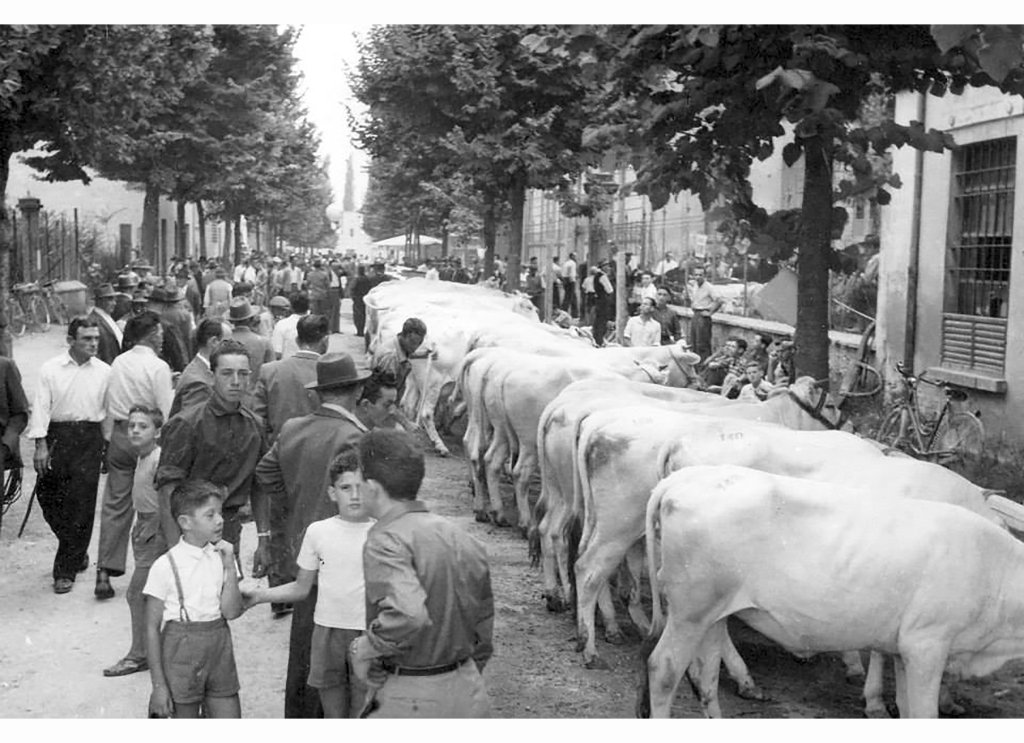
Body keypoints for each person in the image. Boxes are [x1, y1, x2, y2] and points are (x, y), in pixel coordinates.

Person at [252, 352, 371, 718]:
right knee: (349, 656)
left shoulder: (292, 428)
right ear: (356, 391)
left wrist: (297, 507)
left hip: (304, 548)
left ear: (319, 394)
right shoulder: (357, 437)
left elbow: (265, 473)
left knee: (307, 646)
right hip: (347, 556)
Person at [348, 429, 493, 718]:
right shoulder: (461, 537)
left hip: (412, 696)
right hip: (468, 689)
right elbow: (483, 631)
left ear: (373, 487)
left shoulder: (385, 539)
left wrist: (364, 648)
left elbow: (408, 614)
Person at [243, 447, 372, 717]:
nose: (355, 495)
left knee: (365, 712)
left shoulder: (382, 532)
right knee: (333, 714)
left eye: (361, 486)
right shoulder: (318, 532)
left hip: (368, 633)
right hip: (327, 633)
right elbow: (302, 587)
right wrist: (259, 597)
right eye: (346, 487)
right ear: (332, 493)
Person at [156, 339, 268, 560]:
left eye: (243, 374)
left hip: (229, 529)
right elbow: (167, 489)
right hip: (189, 531)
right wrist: (175, 552)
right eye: (227, 373)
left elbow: (260, 485)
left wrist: (263, 538)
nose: (236, 381)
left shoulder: (255, 426)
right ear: (212, 375)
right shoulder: (188, 424)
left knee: (228, 590)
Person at [143, 480, 243, 719]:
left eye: (220, 513)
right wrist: (159, 686)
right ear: (185, 522)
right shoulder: (165, 565)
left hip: (219, 649)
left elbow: (230, 612)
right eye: (210, 515)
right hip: (180, 654)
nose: (220, 520)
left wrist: (229, 566)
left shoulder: (223, 556)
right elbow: (150, 627)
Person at [26, 318, 110, 594]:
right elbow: (40, 407)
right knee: (48, 496)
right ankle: (75, 546)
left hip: (89, 438)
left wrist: (108, 447)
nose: (93, 344)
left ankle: (65, 570)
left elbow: (108, 413)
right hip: (57, 437)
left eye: (95, 338)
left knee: (81, 503)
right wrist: (40, 444)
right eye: (86, 338)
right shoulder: (51, 369)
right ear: (71, 341)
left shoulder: (105, 372)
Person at [96, 312, 174, 600]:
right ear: (152, 334)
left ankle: (104, 570)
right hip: (148, 439)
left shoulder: (118, 362)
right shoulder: (158, 366)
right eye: (160, 332)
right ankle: (150, 570)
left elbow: (109, 399)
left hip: (120, 433)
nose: (163, 337)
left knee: (115, 502)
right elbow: (166, 410)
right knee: (150, 506)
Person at [103, 405, 166, 677]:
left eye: (143, 426)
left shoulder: (157, 459)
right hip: (144, 526)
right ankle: (149, 650)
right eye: (131, 426)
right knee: (143, 595)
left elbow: (166, 501)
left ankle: (140, 654)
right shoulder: (142, 456)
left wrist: (157, 529)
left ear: (158, 432)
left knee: (137, 594)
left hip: (155, 528)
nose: (136, 431)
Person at [252, 314, 327, 442]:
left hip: (278, 449)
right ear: (326, 340)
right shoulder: (332, 373)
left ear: (297, 341)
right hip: (320, 451)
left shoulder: (269, 371)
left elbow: (258, 418)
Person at [169, 318, 231, 418]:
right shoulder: (198, 383)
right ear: (214, 342)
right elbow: (195, 426)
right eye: (228, 343)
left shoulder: (201, 371)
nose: (232, 348)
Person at [372, 317, 427, 403]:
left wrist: (424, 354)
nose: (416, 348)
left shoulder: (399, 345)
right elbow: (385, 393)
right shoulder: (391, 358)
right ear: (407, 336)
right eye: (413, 343)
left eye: (419, 344)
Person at [227, 298, 275, 389]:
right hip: (255, 397)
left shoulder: (223, 340)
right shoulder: (263, 342)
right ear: (251, 319)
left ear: (232, 321)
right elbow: (272, 374)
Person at [685, 266, 723, 361]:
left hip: (703, 316)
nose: (698, 277)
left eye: (700, 275)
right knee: (693, 341)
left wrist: (710, 313)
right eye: (696, 275)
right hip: (695, 315)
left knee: (702, 343)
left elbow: (719, 300)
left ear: (705, 276)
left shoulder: (709, 287)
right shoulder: (694, 285)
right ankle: (696, 365)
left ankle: (704, 366)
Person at [90, 283, 123, 365]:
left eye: (115, 300)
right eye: (110, 300)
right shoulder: (93, 321)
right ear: (100, 301)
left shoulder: (108, 317)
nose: (114, 303)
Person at [271, 292, 309, 361]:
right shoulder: (317, 323)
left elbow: (277, 354)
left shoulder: (282, 324)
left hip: (287, 367)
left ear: (291, 307)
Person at [590, 262, 615, 347]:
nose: (608, 268)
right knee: (602, 320)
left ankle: (597, 338)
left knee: (598, 320)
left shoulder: (596, 276)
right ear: (602, 267)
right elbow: (610, 290)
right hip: (604, 301)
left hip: (598, 300)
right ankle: (599, 340)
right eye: (606, 266)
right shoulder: (603, 276)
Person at [349, 266, 372, 338]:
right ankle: (362, 330)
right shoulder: (367, 279)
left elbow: (352, 288)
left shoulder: (357, 279)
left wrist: (353, 297)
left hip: (358, 299)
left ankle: (359, 331)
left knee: (357, 315)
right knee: (363, 315)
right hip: (365, 299)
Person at [326, 259, 344, 334]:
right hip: (331, 290)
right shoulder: (328, 273)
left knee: (337, 310)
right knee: (331, 311)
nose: (336, 267)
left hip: (337, 291)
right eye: (334, 266)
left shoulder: (338, 274)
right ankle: (330, 328)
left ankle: (336, 328)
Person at [561, 251, 578, 317]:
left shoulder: (566, 263)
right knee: (568, 297)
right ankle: (564, 311)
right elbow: (571, 273)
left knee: (572, 297)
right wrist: (572, 280)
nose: (576, 258)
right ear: (572, 256)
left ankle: (575, 313)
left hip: (565, 280)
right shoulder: (573, 263)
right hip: (570, 281)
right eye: (575, 256)